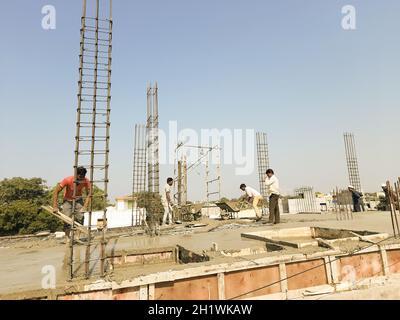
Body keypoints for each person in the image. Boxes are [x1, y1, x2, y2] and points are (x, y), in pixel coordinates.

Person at [52, 166, 92, 238]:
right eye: (79, 177)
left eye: (82, 177)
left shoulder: (86, 181)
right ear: (76, 175)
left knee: (81, 217)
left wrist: (85, 206)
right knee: (67, 219)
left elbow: (89, 194)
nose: (81, 179)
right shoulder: (67, 180)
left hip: (78, 200)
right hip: (67, 200)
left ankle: (77, 237)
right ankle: (67, 237)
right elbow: (56, 192)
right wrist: (55, 206)